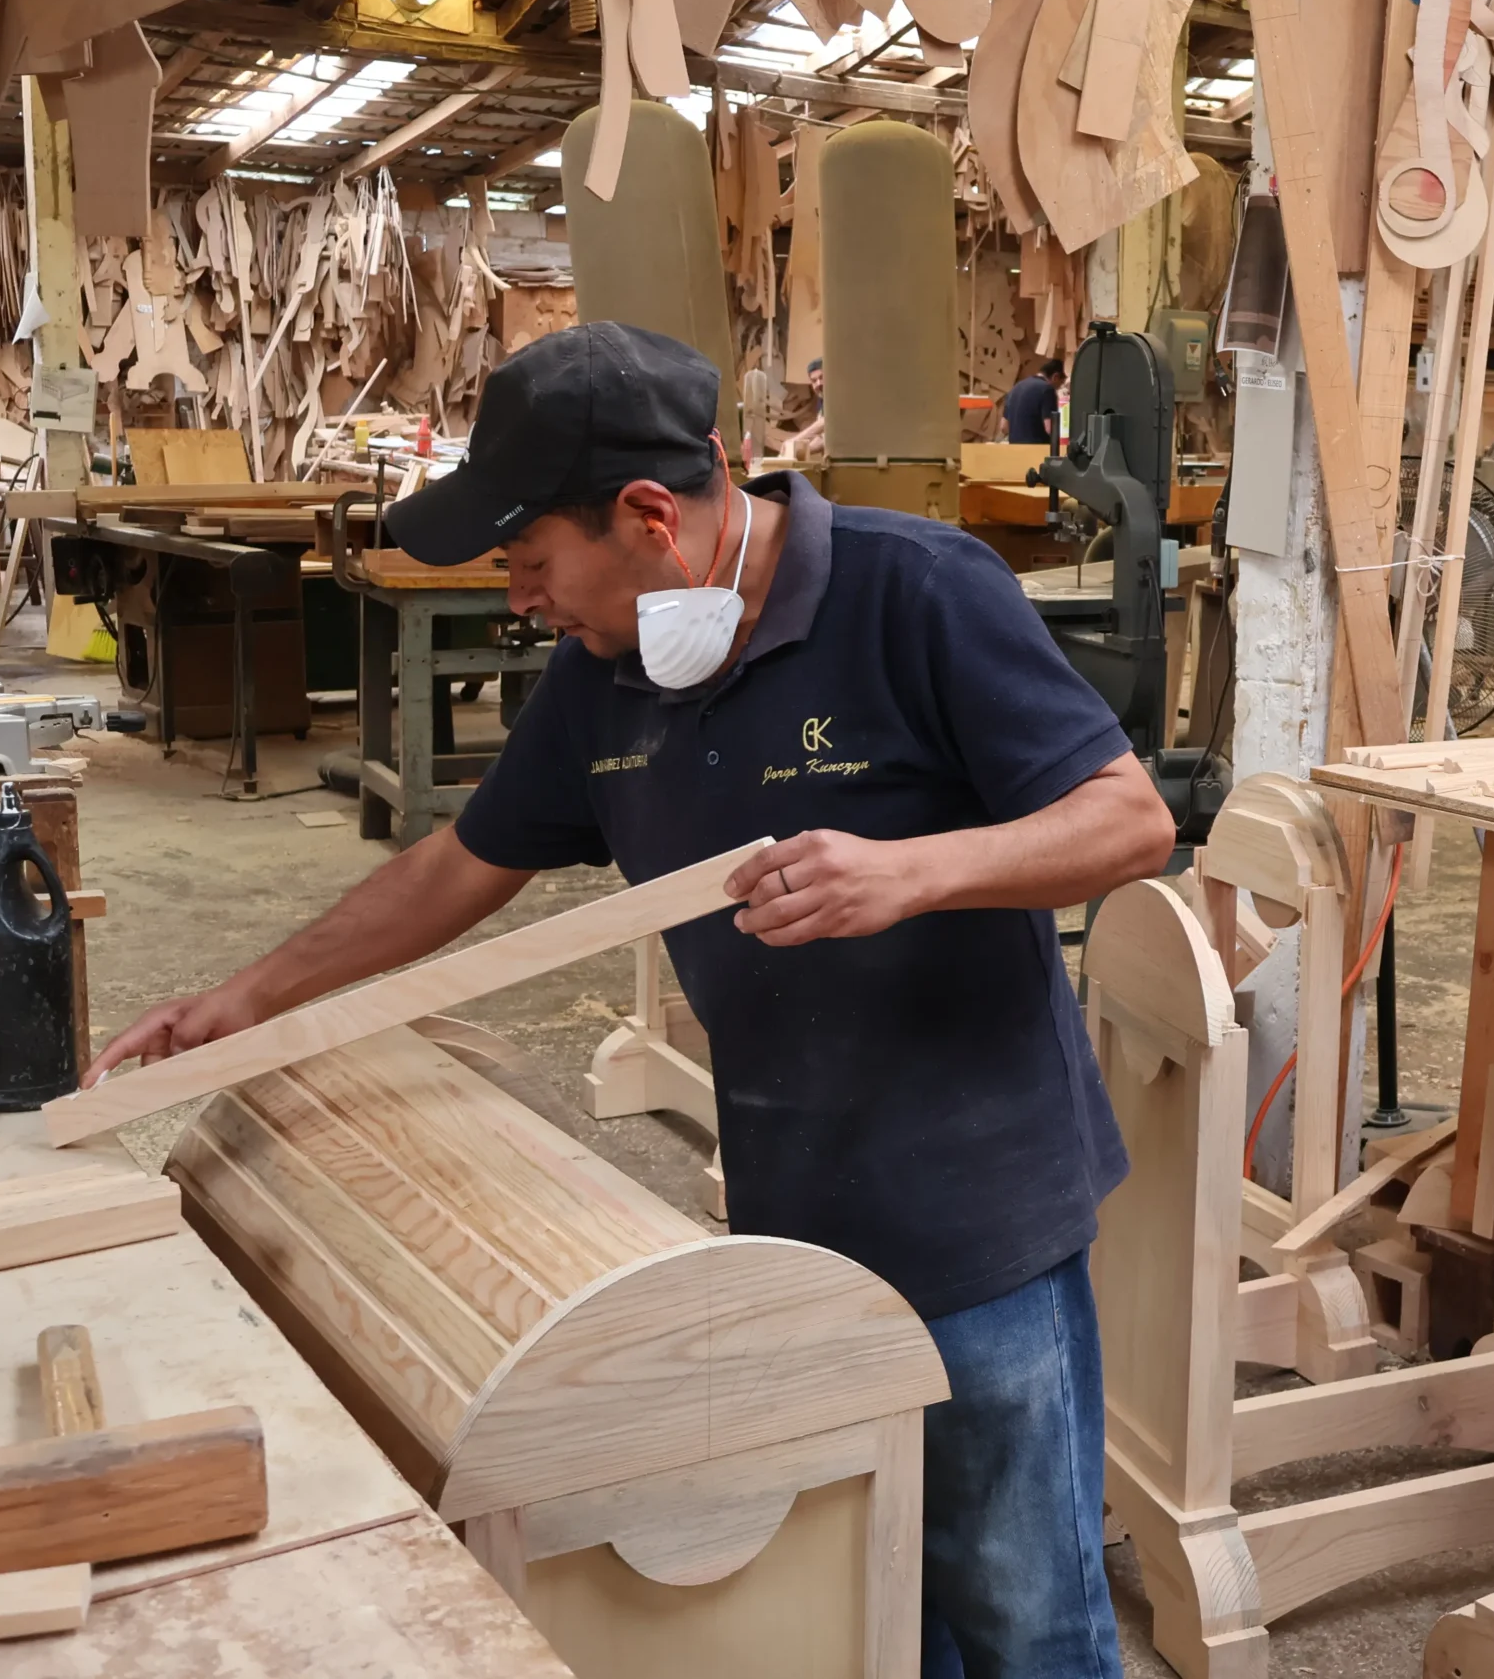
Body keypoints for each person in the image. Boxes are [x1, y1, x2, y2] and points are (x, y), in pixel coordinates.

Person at [94, 324, 1174, 1679]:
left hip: (979, 1213)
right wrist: (247, 999)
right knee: (882, 1602)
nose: (528, 603)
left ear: (650, 517)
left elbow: (1128, 821)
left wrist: (912, 871)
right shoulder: (606, 677)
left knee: (1028, 1620)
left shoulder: (920, 590)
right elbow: (455, 865)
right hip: (793, 1217)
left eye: (535, 564)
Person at [1003, 358, 1063, 446]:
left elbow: (1004, 427)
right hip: (1036, 451)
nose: (1059, 388)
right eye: (1060, 383)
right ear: (1056, 377)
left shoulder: (1016, 387)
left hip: (1015, 451)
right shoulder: (1047, 389)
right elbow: (1050, 428)